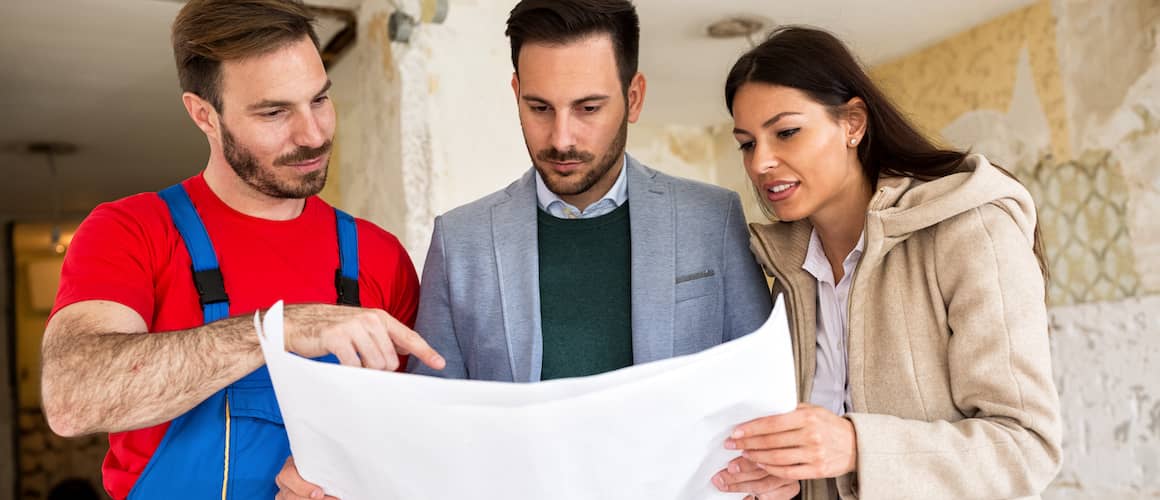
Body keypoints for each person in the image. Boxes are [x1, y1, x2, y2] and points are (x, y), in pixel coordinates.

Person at [274, 0, 773, 497]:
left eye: (589, 108)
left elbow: (762, 399)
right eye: (539, 108)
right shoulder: (460, 241)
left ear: (634, 96)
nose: (561, 138)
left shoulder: (714, 219)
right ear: (515, 93)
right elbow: (435, 428)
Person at [39, 1, 444, 498]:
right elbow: (73, 398)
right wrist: (276, 329)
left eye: (319, 100)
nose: (313, 134)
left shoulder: (378, 257)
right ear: (203, 115)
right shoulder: (132, 231)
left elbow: (413, 448)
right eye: (275, 113)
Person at [710, 26, 1062, 500]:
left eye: (787, 132)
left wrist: (857, 444)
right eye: (747, 143)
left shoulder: (969, 228)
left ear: (852, 123)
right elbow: (823, 458)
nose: (761, 163)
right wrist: (787, 481)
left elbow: (1026, 448)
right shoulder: (788, 274)